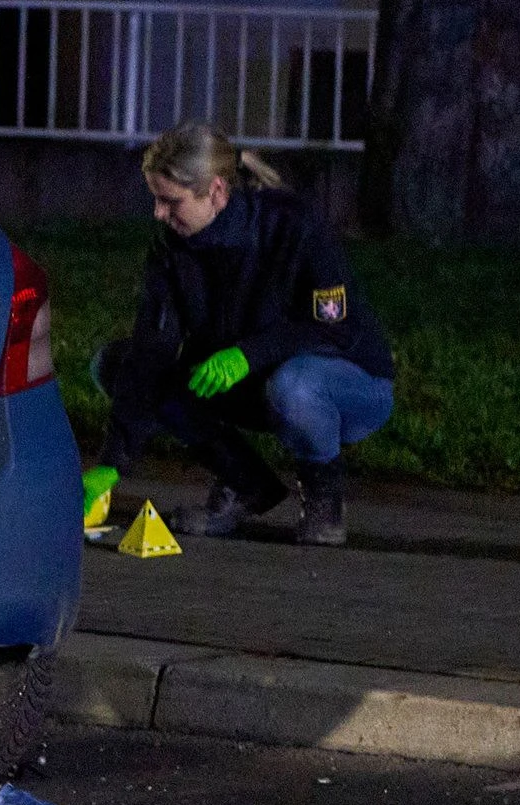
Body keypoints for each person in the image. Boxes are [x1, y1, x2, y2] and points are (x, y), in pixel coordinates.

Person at [80, 123, 395, 548]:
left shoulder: (294, 223)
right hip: (254, 380)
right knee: (116, 365)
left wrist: (248, 354)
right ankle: (245, 484)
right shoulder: (172, 248)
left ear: (216, 192)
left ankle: (324, 500)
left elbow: (334, 325)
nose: (158, 213)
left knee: (294, 386)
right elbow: (151, 351)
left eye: (170, 201)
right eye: (155, 199)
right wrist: (113, 463)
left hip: (348, 385)